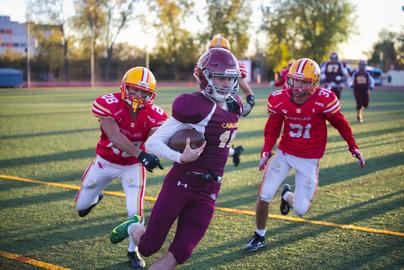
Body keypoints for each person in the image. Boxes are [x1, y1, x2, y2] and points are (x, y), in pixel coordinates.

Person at [110, 48, 243, 269]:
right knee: (147, 247)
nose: (226, 84)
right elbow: (153, 143)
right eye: (220, 78)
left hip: (209, 188)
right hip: (182, 182)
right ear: (204, 77)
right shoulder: (193, 106)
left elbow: (218, 143)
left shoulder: (234, 105)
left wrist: (230, 152)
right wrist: (180, 157)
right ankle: (134, 227)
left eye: (230, 79)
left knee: (181, 252)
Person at [245, 58, 365, 252]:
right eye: (296, 80)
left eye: (304, 81)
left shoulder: (324, 99)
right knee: (265, 194)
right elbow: (272, 129)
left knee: (300, 209)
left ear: (315, 82)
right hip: (284, 153)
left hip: (309, 159)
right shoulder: (279, 98)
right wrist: (266, 151)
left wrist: (353, 147)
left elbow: (341, 124)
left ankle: (287, 195)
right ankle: (259, 236)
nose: (299, 86)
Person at [74, 67, 166, 269]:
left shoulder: (155, 115)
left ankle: (133, 250)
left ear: (151, 95)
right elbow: (115, 136)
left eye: (143, 92)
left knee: (135, 212)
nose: (138, 96)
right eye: (134, 90)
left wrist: (154, 151)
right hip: (105, 162)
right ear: (124, 87)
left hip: (132, 167)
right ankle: (95, 197)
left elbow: (155, 139)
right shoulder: (108, 104)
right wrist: (142, 155)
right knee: (80, 207)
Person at [200, 34, 255, 117]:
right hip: (208, 108)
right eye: (215, 50)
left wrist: (250, 104)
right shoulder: (204, 66)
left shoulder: (234, 68)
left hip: (228, 108)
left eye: (222, 50)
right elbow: (200, 92)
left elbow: (248, 92)